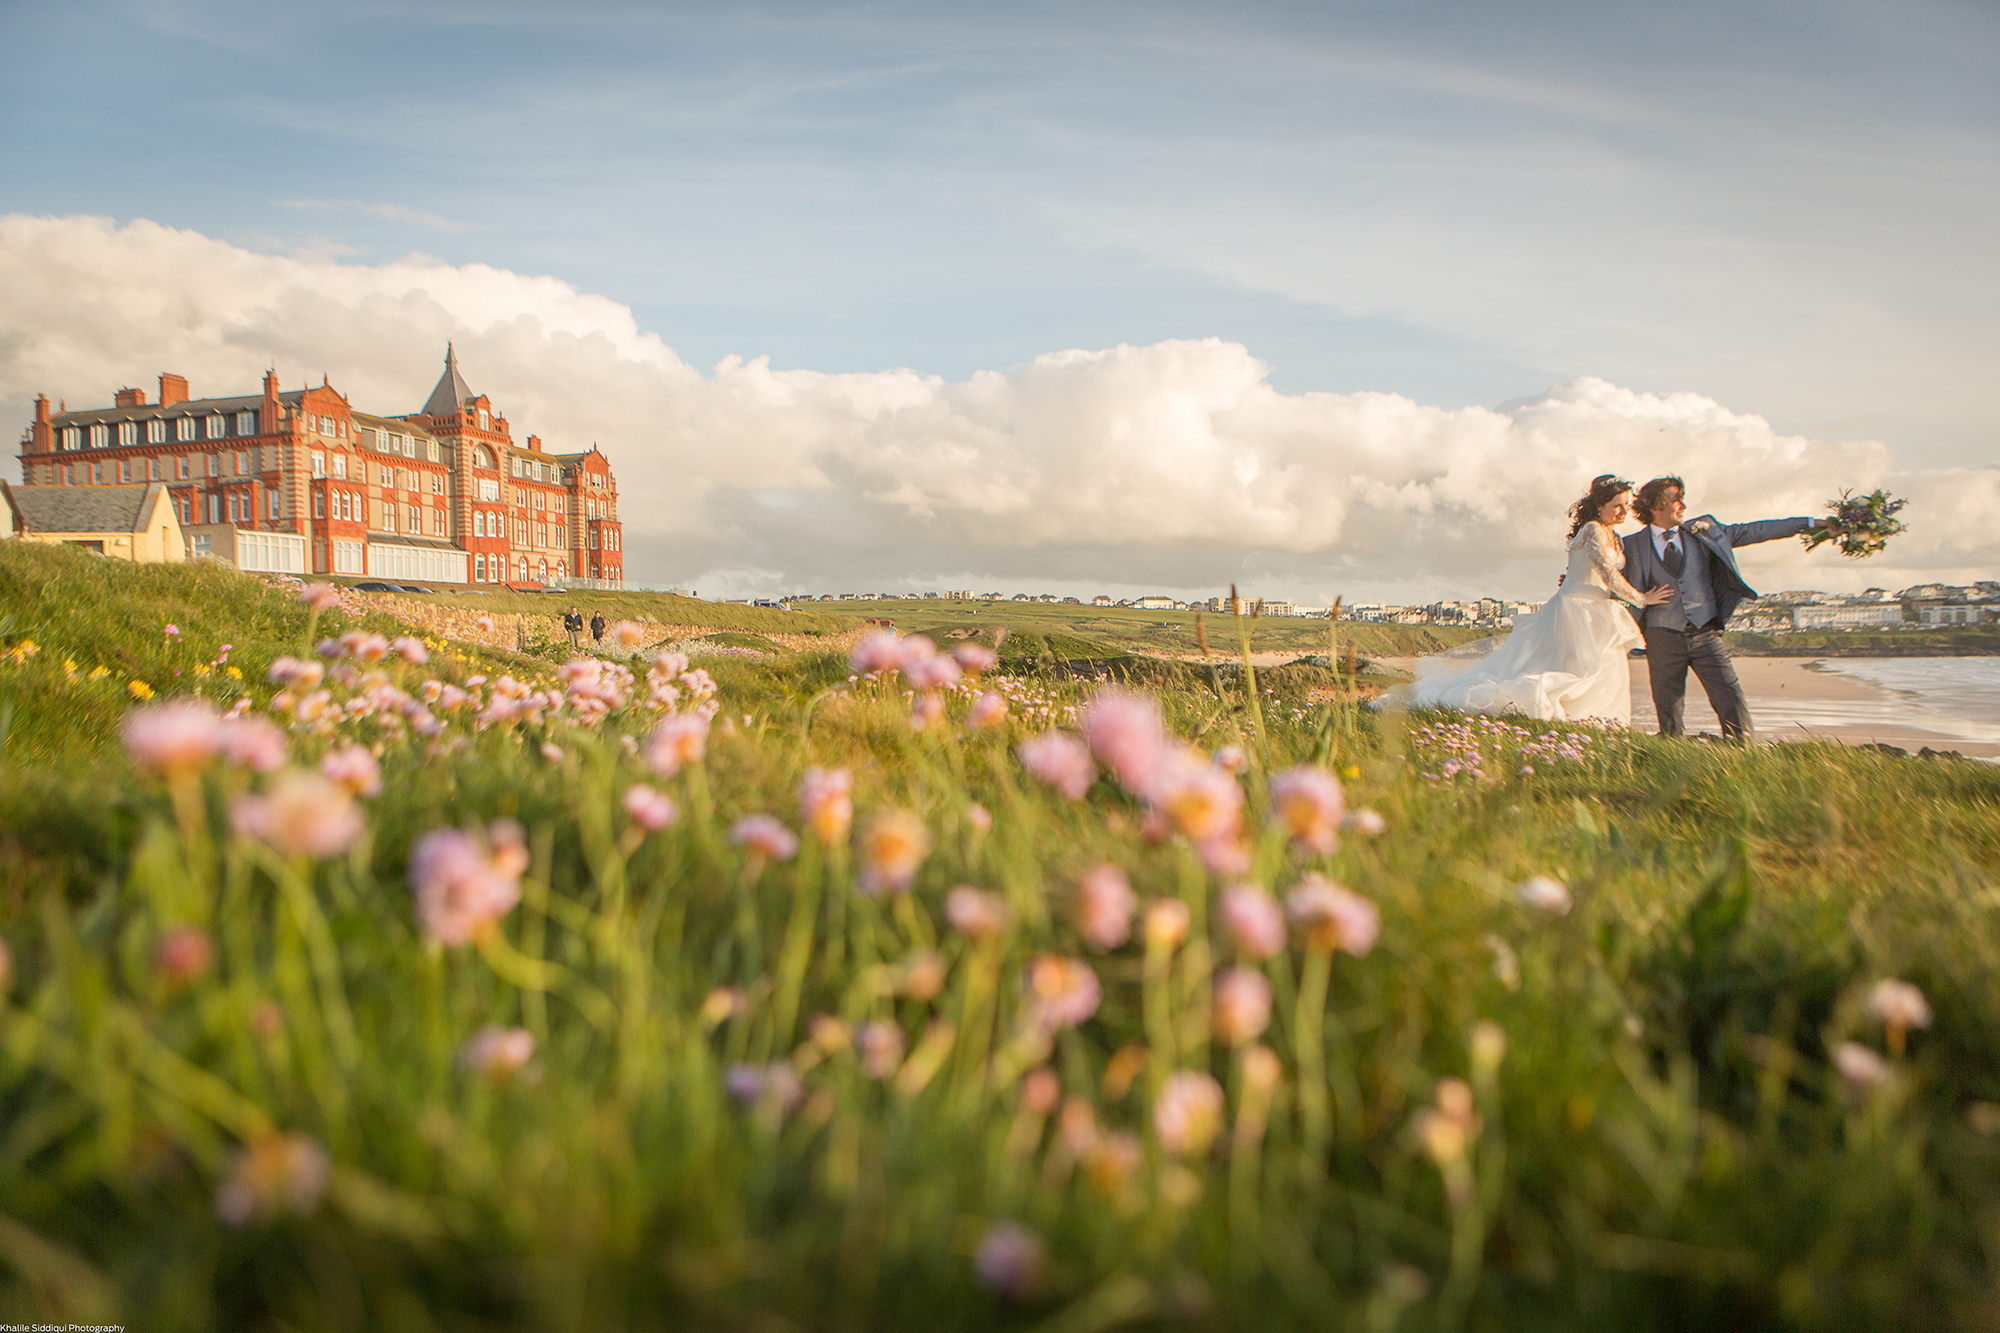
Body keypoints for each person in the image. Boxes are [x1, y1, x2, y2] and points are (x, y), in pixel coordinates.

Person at [1407, 475, 1672, 724]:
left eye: (1626, 505)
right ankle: (1572, 715)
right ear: (1599, 506)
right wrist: (1642, 598)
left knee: (1606, 664)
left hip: (1598, 605)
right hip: (1576, 606)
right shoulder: (1593, 529)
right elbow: (1606, 571)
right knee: (1580, 667)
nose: (1623, 512)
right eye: (1617, 506)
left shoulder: (1614, 535)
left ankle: (1599, 720)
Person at [1621, 477, 1820, 742]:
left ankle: (1741, 747)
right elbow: (1608, 579)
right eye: (1675, 500)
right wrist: (1642, 598)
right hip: (1661, 635)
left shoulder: (1704, 530)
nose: (1683, 505)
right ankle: (1670, 753)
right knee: (1667, 704)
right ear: (1656, 505)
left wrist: (1808, 524)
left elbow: (1756, 531)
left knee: (1729, 693)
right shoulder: (1632, 544)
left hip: (1705, 632)